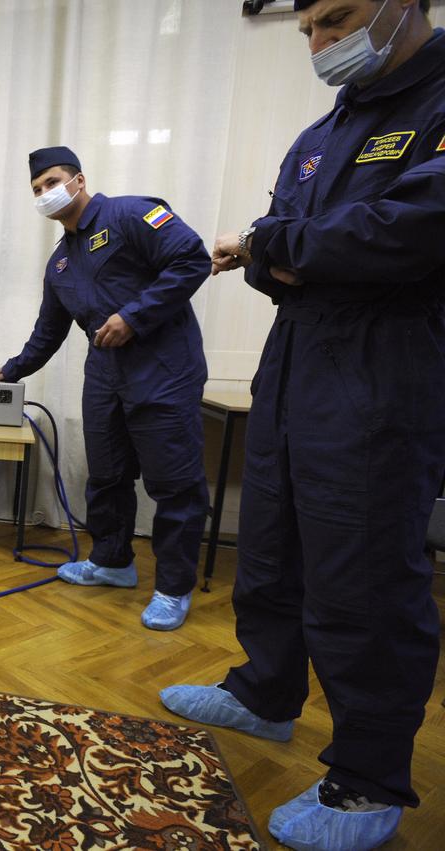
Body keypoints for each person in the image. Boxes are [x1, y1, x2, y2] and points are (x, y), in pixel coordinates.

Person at [161, 2, 445, 848]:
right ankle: (265, 690)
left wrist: (279, 245)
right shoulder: (322, 132)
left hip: (386, 364)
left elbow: (408, 233)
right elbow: (283, 259)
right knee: (272, 533)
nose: (320, 42)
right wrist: (282, 250)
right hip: (298, 353)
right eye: (309, 29)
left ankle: (366, 780)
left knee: (362, 570)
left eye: (338, 18)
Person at [0, 147, 211, 631]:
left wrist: (133, 317)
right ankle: (113, 562)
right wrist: (10, 371)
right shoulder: (59, 265)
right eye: (35, 190)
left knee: (174, 485)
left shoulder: (132, 213)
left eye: (51, 181)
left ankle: (174, 587)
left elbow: (191, 258)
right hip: (105, 379)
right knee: (107, 477)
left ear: (78, 180)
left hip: (164, 374)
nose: (45, 193)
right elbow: (48, 332)